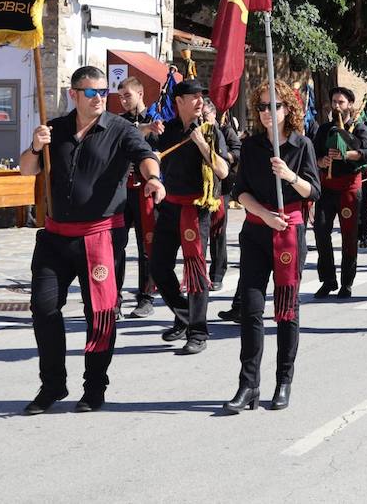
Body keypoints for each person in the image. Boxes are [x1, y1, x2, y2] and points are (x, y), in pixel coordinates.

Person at [19, 66, 160, 415]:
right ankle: (52, 383)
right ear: (74, 94)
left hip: (100, 238)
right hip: (55, 237)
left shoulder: (120, 128)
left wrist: (154, 179)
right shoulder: (54, 129)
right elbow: (26, 169)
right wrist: (36, 146)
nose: (99, 97)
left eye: (102, 92)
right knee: (43, 306)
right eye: (91, 92)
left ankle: (94, 386)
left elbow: (145, 156)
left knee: (99, 314)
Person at [222, 83, 320, 414]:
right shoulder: (250, 146)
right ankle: (248, 385)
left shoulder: (300, 144)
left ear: (287, 109)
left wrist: (290, 175)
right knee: (250, 310)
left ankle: (283, 381)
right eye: (262, 106)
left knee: (286, 310)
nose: (267, 112)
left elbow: (313, 191)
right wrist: (263, 214)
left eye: (273, 106)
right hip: (256, 231)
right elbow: (240, 191)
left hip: (289, 233)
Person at [149, 79, 230, 355]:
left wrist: (201, 145)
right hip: (169, 206)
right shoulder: (167, 130)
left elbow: (223, 171)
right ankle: (184, 316)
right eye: (193, 97)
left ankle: (197, 331)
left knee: (195, 273)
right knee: (158, 266)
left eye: (201, 97)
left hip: (197, 209)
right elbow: (141, 148)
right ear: (179, 101)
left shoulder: (209, 132)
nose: (199, 102)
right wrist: (147, 132)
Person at [312, 87, 367, 299]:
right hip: (327, 188)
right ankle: (328, 280)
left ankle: (347, 283)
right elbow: (313, 155)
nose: (337, 106)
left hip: (349, 189)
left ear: (350, 104)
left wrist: (346, 154)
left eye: (341, 102)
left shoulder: (358, 128)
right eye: (334, 102)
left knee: (349, 236)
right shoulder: (324, 129)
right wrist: (322, 161)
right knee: (321, 231)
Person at [115, 76, 164, 319]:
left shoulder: (156, 122)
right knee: (116, 245)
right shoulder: (117, 123)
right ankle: (114, 299)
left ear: (141, 94)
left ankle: (146, 297)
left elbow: (161, 153)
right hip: (121, 192)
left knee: (147, 245)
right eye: (121, 97)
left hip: (145, 191)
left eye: (128, 96)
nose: (124, 101)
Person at [205, 97, 241, 292]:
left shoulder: (225, 131)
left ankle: (217, 274)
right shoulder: (196, 133)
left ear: (213, 114)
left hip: (220, 188)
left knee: (218, 231)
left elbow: (237, 152)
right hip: (200, 188)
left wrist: (222, 154)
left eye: (205, 115)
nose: (203, 119)